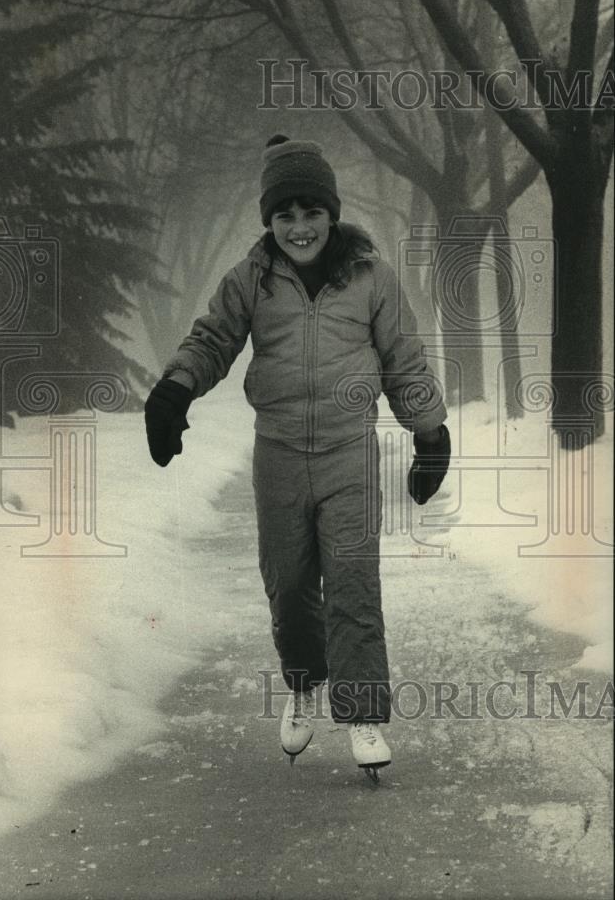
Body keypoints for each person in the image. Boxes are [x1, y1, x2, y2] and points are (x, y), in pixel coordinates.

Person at [144, 135, 450, 781]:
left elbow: (404, 358)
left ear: (331, 214)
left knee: (352, 584)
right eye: (285, 215)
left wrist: (429, 431)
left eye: (312, 212)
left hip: (348, 454)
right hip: (278, 454)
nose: (299, 227)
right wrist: (174, 391)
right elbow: (212, 339)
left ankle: (363, 713)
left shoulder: (370, 276)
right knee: (288, 586)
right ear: (270, 221)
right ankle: (306, 683)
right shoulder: (251, 279)